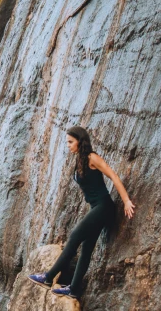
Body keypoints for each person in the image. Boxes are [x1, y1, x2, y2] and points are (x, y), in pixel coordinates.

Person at [28, 125, 135, 299]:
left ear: (80, 141)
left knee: (74, 237)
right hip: (96, 207)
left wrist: (126, 201)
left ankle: (48, 277)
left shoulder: (92, 157)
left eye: (71, 142)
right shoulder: (79, 159)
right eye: (67, 142)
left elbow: (113, 176)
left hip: (104, 206)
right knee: (86, 248)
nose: (68, 145)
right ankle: (74, 289)